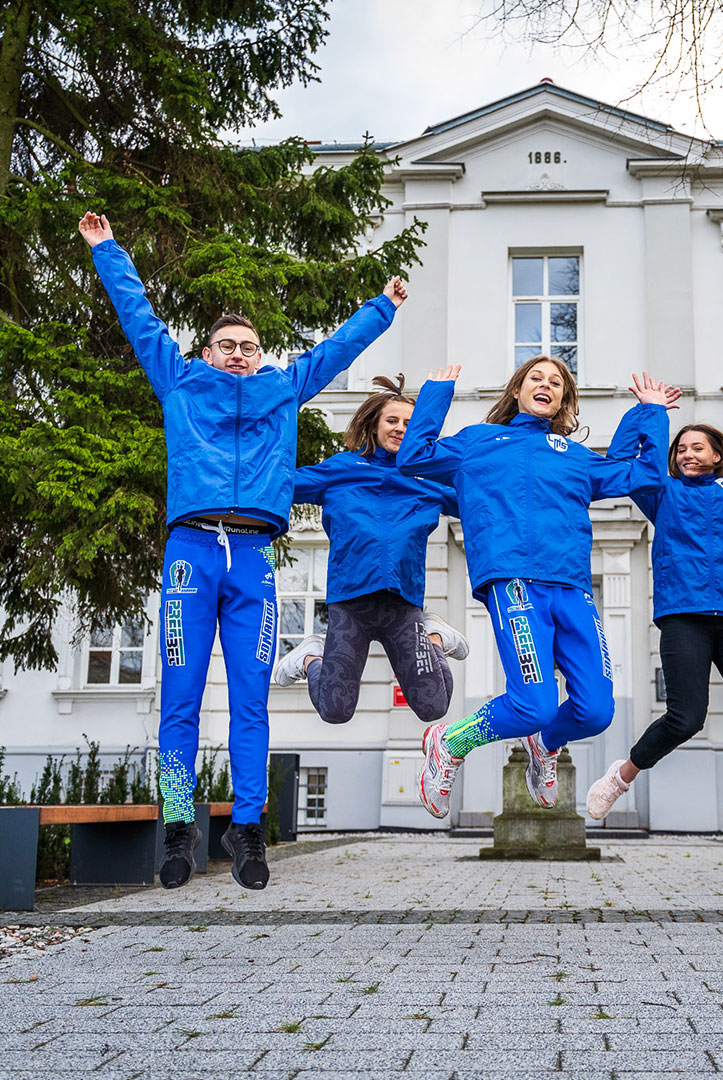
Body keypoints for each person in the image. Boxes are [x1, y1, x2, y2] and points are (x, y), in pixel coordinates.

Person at [78, 211, 405, 889]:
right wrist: (106, 246)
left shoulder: (280, 389)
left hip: (254, 559)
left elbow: (335, 352)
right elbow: (139, 317)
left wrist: (384, 306)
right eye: (226, 344)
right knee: (182, 696)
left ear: (261, 355)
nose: (237, 353)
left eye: (248, 346)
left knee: (252, 698)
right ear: (205, 353)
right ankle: (176, 823)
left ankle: (248, 828)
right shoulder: (180, 382)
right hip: (190, 556)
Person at [395, 356, 676, 818]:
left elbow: (643, 474)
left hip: (572, 587)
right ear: (517, 391)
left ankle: (545, 745)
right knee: (533, 704)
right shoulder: (479, 442)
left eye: (557, 382)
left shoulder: (575, 456)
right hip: (514, 583)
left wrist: (651, 412)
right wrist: (435, 393)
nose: (546, 385)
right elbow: (414, 457)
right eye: (536, 379)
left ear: (564, 398)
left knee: (596, 712)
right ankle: (450, 743)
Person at [586, 375, 723, 853]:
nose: (687, 454)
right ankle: (622, 776)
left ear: (718, 454)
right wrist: (651, 411)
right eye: (681, 449)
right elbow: (627, 459)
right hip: (683, 615)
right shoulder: (661, 494)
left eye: (698, 447)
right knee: (685, 717)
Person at [274, 374, 469, 726]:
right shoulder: (342, 469)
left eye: (409, 423)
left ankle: (435, 633)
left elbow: (480, 504)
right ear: (373, 426)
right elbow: (283, 485)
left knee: (434, 705)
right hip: (351, 602)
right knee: (335, 710)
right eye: (391, 420)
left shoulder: (428, 482)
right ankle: (309, 656)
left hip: (402, 604)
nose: (399, 428)